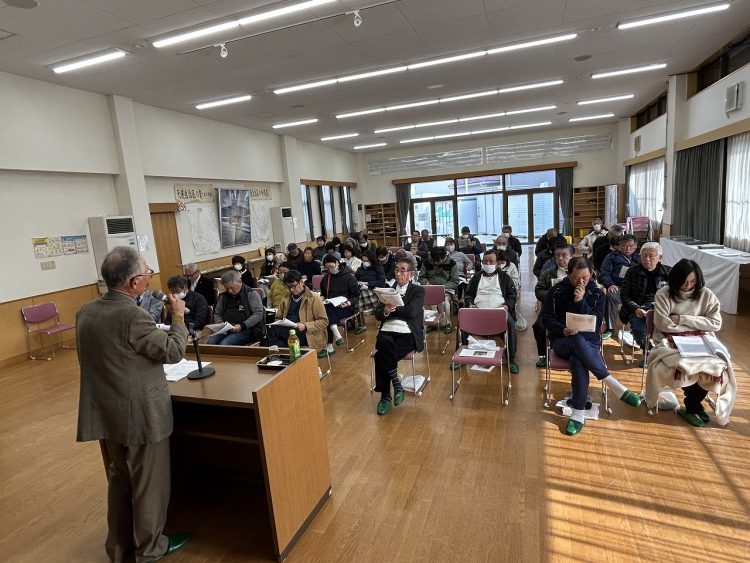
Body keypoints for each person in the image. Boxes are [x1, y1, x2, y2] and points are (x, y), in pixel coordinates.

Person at [76, 246, 191, 562]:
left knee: (120, 480)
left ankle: (118, 547)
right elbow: (173, 351)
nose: (150, 277)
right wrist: (178, 315)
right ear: (135, 282)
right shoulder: (132, 316)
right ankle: (150, 548)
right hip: (141, 415)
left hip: (107, 413)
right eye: (148, 273)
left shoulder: (85, 311)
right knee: (148, 483)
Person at [541, 256, 641, 436]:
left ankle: (577, 414)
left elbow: (596, 323)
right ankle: (612, 383)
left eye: (585, 278)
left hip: (590, 341)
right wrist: (562, 329)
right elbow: (546, 318)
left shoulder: (597, 293)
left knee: (578, 360)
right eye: (576, 278)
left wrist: (581, 302)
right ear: (568, 274)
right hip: (563, 340)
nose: (581, 282)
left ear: (591, 275)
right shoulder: (556, 291)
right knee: (576, 339)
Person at [646, 259, 735, 426]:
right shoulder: (664, 294)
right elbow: (663, 325)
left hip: (701, 340)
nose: (688, 285)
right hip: (669, 340)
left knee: (718, 367)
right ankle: (692, 407)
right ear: (675, 279)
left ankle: (693, 402)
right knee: (687, 365)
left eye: (693, 281)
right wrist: (699, 323)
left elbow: (716, 324)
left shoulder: (706, 294)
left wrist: (682, 319)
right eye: (684, 281)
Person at [372, 256, 425, 416]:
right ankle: (397, 385)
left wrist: (393, 309)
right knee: (383, 341)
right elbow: (378, 314)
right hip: (387, 329)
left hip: (408, 332)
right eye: (396, 270)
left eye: (403, 270)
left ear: (411, 274)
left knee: (380, 356)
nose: (398, 273)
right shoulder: (387, 290)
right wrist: (385, 311)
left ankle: (385, 396)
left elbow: (411, 312)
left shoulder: (418, 291)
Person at [456, 250, 519, 374]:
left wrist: (507, 306)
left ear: (497, 263)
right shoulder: (476, 277)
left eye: (491, 261)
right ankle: (460, 354)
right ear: (482, 262)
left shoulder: (504, 277)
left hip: (499, 311)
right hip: (478, 311)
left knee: (510, 324)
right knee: (462, 322)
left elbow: (512, 295)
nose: (488, 264)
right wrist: (470, 304)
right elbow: (468, 294)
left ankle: (511, 358)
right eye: (486, 261)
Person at [619, 242, 670, 362]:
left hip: (662, 309)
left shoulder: (668, 272)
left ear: (660, 257)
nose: (647, 259)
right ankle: (650, 353)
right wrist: (636, 309)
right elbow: (624, 295)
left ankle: (663, 353)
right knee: (639, 331)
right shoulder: (632, 271)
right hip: (637, 308)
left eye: (651, 256)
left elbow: (673, 295)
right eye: (643, 256)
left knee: (670, 330)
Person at [267, 270, 329, 357]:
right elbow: (278, 317)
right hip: (288, 331)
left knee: (273, 333)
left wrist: (305, 325)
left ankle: (275, 358)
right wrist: (280, 322)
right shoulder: (286, 298)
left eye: (293, 286)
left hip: (307, 333)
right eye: (288, 287)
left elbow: (324, 321)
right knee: (275, 340)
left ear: (301, 282)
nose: (291, 289)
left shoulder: (314, 297)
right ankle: (282, 359)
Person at [532, 243, 574, 367]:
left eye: (564, 255)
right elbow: (539, 290)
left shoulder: (578, 272)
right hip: (552, 308)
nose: (560, 258)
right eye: (557, 255)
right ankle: (543, 354)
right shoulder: (548, 273)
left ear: (572, 256)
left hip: (573, 309)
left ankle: (574, 351)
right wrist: (551, 296)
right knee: (538, 326)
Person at [599, 234, 640, 339]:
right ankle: (610, 328)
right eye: (624, 246)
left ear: (636, 246)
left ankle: (639, 329)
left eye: (631, 246)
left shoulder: (640, 257)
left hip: (637, 289)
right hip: (618, 287)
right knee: (610, 296)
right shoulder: (611, 257)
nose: (628, 249)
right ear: (619, 246)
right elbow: (604, 273)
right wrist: (610, 284)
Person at [207, 270, 264, 345]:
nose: (230, 291)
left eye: (232, 287)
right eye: (227, 288)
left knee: (224, 344)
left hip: (247, 329)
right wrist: (220, 325)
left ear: (239, 282)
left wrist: (242, 325)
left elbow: (258, 314)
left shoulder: (251, 294)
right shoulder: (224, 296)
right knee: (210, 342)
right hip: (226, 328)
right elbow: (218, 313)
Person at [320, 255, 360, 355]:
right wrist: (320, 300)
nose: (330, 269)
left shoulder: (349, 277)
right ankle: (334, 330)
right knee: (324, 311)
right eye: (327, 268)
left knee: (327, 314)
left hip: (347, 307)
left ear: (337, 263)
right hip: (331, 305)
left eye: (332, 266)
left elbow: (356, 296)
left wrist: (348, 303)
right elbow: (323, 294)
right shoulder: (326, 278)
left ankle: (330, 344)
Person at [419, 246, 460, 333]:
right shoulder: (426, 263)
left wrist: (443, 287)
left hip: (446, 289)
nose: (437, 263)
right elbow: (421, 277)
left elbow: (455, 281)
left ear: (444, 257)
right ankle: (430, 323)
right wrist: (426, 283)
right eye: (435, 260)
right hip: (430, 288)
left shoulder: (452, 263)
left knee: (443, 302)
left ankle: (446, 323)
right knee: (425, 301)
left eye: (439, 260)